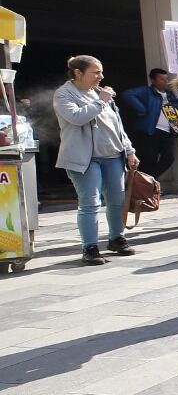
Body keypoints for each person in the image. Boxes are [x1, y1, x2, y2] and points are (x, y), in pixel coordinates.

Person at [53, 56, 138, 265]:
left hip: (113, 156)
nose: (101, 77)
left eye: (101, 72)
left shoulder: (100, 94)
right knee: (90, 202)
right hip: (85, 159)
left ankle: (116, 238)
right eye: (95, 72)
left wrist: (129, 150)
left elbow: (117, 125)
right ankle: (90, 247)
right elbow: (77, 117)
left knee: (117, 200)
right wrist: (101, 101)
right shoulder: (64, 94)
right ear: (78, 73)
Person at [118, 67, 178, 180]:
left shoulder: (170, 95)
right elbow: (127, 94)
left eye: (166, 79)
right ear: (153, 80)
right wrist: (141, 108)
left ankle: (149, 180)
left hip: (168, 131)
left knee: (169, 158)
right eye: (162, 79)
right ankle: (147, 185)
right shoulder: (146, 91)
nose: (165, 81)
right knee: (149, 160)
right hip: (151, 131)